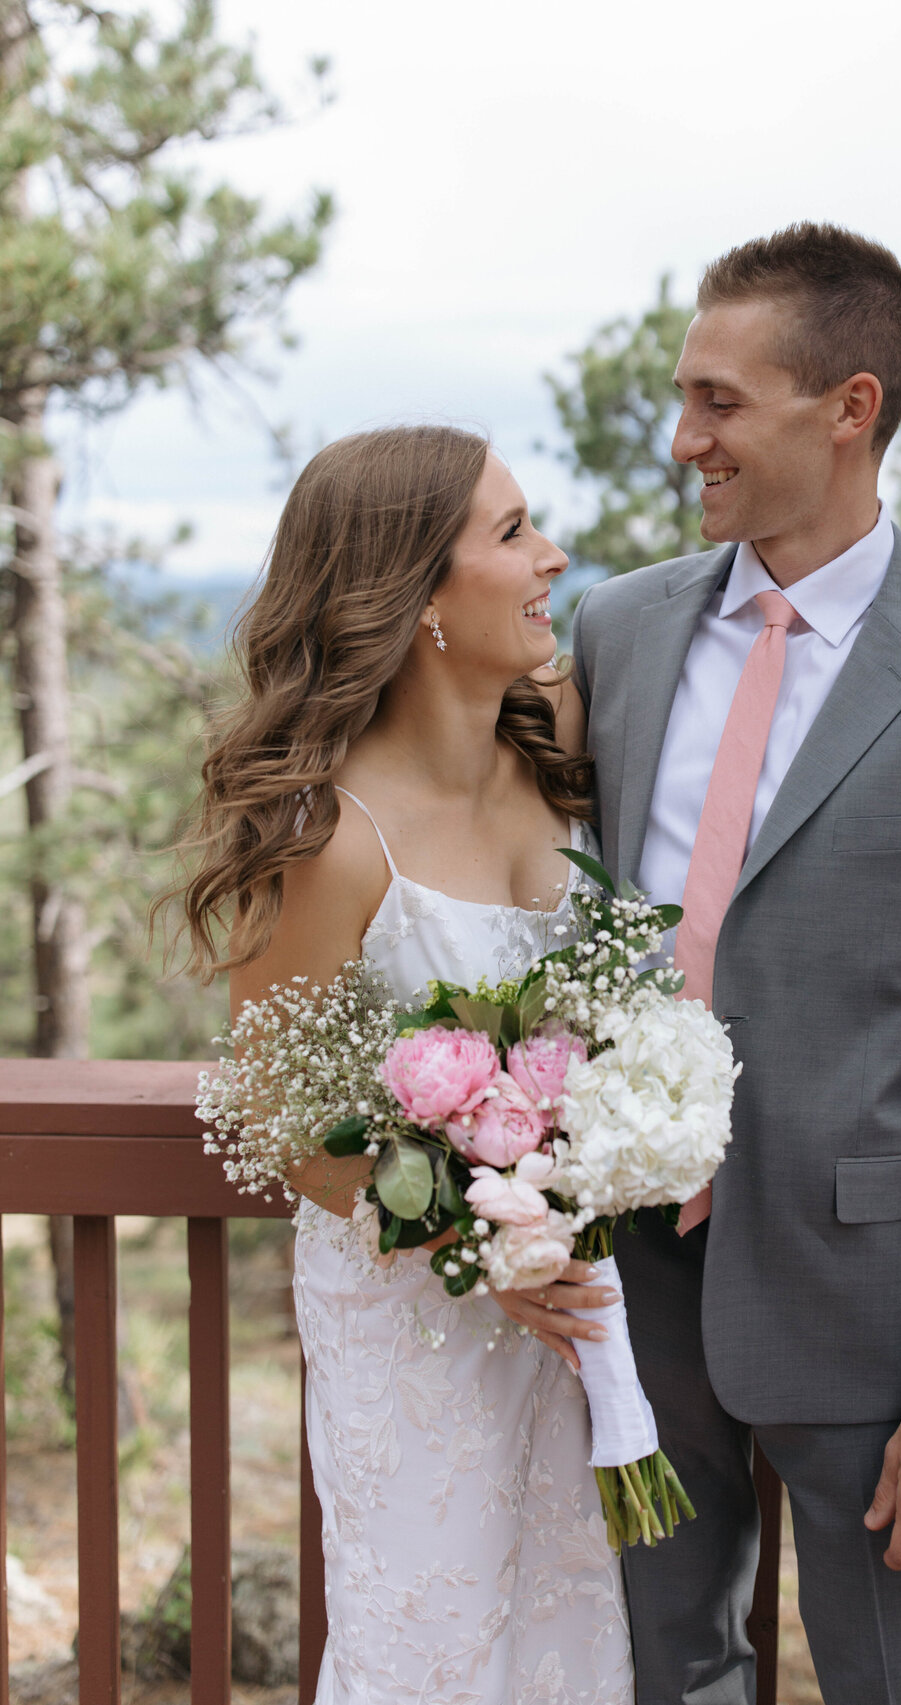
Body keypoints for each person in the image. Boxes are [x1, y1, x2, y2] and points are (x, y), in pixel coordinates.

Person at [570, 223, 901, 1705]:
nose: (685, 440)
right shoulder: (620, 629)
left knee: (883, 1683)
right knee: (668, 1666)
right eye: (686, 398)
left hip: (864, 1302)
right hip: (638, 1291)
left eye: (720, 403)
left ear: (848, 406)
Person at [181, 426, 634, 1705]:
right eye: (510, 533)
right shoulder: (332, 837)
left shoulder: (558, 733)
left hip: (574, 1304)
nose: (551, 558)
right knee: (432, 1644)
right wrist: (484, 1251)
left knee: (570, 1621)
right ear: (416, 595)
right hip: (416, 1316)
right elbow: (284, 1116)